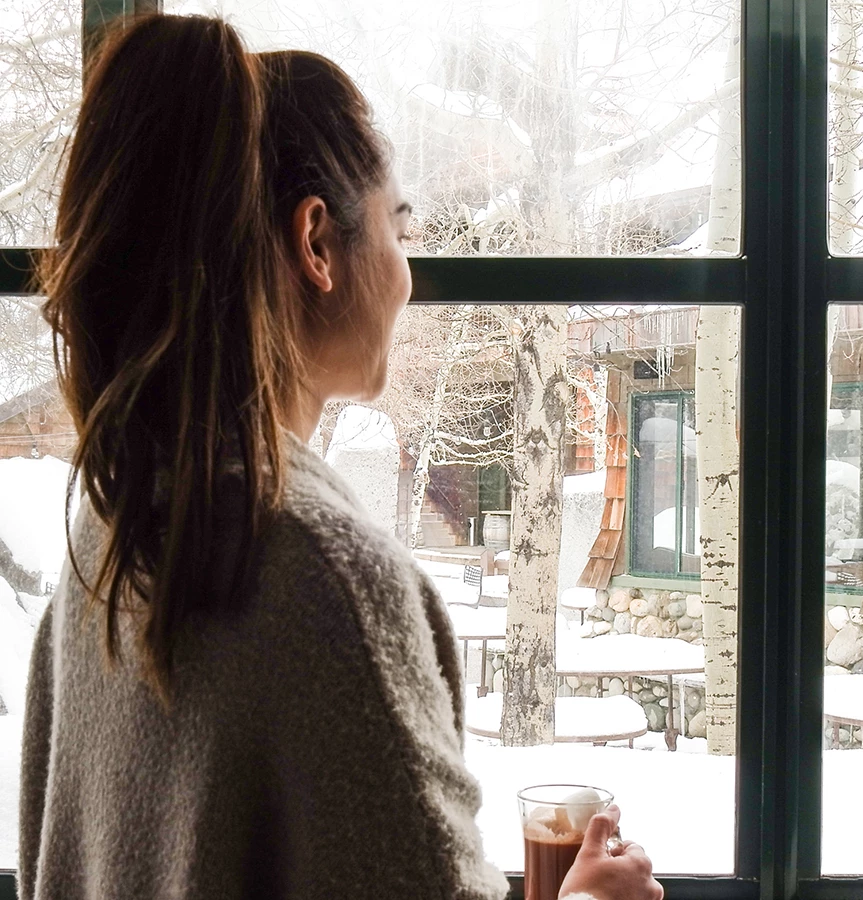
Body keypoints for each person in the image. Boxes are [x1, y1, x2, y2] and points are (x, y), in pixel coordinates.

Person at [19, 14, 663, 900]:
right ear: (316, 243)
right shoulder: (325, 579)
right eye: (398, 226)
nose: (408, 274)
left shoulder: (110, 529)